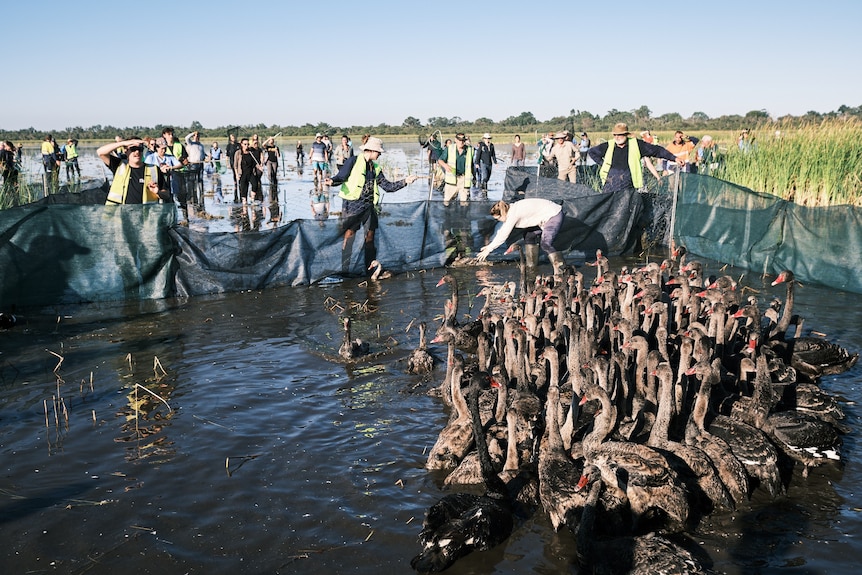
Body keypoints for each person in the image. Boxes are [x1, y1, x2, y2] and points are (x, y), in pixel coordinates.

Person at [325, 137, 418, 276]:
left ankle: (370, 270)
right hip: (352, 205)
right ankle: (345, 269)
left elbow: (388, 187)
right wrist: (332, 181)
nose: (380, 155)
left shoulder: (375, 168)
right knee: (349, 237)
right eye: (378, 152)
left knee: (370, 239)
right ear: (372, 150)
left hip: (369, 207)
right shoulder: (353, 161)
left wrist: (406, 181)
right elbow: (341, 176)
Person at [475, 198, 566, 271]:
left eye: (498, 218)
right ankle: (531, 266)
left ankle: (561, 269)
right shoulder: (511, 210)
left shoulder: (513, 214)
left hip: (554, 215)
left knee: (545, 244)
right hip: (543, 218)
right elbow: (501, 231)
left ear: (502, 213)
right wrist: (488, 246)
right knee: (529, 235)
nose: (498, 221)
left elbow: (503, 234)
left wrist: (489, 250)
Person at [587, 123, 677, 194]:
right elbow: (592, 152)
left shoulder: (637, 145)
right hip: (610, 185)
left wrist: (674, 158)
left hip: (628, 185)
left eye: (620, 135)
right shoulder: (608, 145)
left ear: (626, 135)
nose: (617, 137)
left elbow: (657, 150)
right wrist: (603, 164)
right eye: (615, 135)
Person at [97, 138, 171, 206]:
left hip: (146, 216)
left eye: (140, 149)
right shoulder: (119, 165)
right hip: (121, 215)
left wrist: (158, 192)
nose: (137, 152)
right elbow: (100, 152)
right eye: (133, 149)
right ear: (126, 151)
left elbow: (167, 195)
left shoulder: (153, 169)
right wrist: (123, 143)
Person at [436, 132, 474, 206]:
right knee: (447, 202)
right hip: (452, 180)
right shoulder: (450, 148)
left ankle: (463, 216)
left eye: (463, 140)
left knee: (464, 203)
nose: (461, 142)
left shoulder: (470, 150)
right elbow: (440, 160)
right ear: (455, 140)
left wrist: (474, 177)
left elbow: (472, 165)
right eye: (459, 140)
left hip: (464, 180)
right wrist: (445, 165)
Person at [233, 137, 263, 204]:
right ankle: (244, 203)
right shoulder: (238, 153)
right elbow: (235, 166)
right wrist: (237, 175)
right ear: (241, 144)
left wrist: (259, 167)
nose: (246, 146)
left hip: (251, 172)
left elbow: (255, 163)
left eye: (247, 144)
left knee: (255, 185)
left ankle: (252, 199)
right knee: (244, 188)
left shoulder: (251, 152)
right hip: (242, 173)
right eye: (245, 144)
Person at [184, 131, 207, 207]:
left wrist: (206, 158)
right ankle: (193, 195)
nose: (197, 137)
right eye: (195, 136)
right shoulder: (190, 144)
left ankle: (201, 194)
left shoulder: (201, 145)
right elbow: (186, 138)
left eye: (198, 136)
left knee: (200, 180)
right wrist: (193, 133)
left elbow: (203, 154)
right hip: (193, 164)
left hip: (200, 164)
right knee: (192, 180)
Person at [226, 133, 240, 201]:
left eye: (234, 137)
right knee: (234, 173)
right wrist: (227, 163)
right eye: (232, 137)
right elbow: (227, 155)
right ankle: (235, 183)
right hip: (232, 161)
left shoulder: (238, 145)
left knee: (239, 171)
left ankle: (239, 182)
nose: (233, 138)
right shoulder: (228, 146)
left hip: (238, 161)